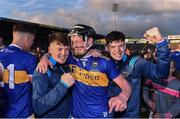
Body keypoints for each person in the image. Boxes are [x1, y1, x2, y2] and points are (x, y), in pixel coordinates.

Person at [37, 24, 132, 118]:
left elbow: (124, 83)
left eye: (78, 41)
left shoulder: (104, 62)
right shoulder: (69, 57)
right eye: (73, 41)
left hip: (99, 115)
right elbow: (53, 52)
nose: (75, 45)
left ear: (89, 41)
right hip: (75, 115)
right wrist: (44, 58)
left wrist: (123, 96)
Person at [105, 27, 170, 117]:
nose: (118, 50)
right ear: (107, 48)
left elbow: (161, 74)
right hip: (105, 114)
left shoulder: (134, 62)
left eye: (121, 46)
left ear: (125, 46)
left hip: (130, 116)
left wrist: (161, 43)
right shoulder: (101, 63)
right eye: (113, 47)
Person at [32, 32, 75, 118]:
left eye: (67, 49)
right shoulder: (42, 69)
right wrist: (63, 85)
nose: (63, 53)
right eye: (59, 49)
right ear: (50, 50)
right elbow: (38, 107)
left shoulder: (66, 65)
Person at [0, 23, 37, 118]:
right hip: (23, 113)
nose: (32, 43)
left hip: (3, 112)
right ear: (26, 39)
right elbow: (37, 87)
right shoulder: (29, 58)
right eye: (32, 40)